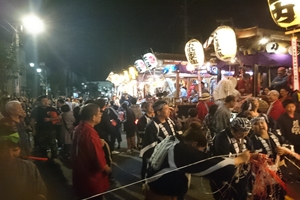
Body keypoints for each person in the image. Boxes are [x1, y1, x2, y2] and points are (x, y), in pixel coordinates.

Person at [145, 122, 250, 200]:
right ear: (194, 144)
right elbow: (205, 163)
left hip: (155, 186)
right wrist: (238, 160)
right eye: (201, 149)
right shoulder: (180, 150)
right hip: (164, 193)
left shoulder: (172, 139)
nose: (200, 152)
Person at [71, 103, 111, 200]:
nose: (101, 115)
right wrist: (107, 168)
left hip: (80, 172)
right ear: (93, 117)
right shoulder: (91, 134)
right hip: (91, 177)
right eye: (99, 113)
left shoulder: (79, 128)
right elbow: (98, 158)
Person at [0, 119, 47, 200]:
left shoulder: (28, 167)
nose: (10, 155)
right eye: (4, 151)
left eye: (15, 150)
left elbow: (40, 191)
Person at [211, 117, 255, 200]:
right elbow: (223, 158)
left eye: (246, 133)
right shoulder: (221, 138)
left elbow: (250, 150)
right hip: (224, 176)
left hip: (241, 176)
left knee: (241, 197)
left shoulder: (246, 138)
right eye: (240, 133)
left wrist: (254, 155)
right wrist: (241, 158)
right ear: (233, 130)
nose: (243, 136)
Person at [140, 101, 177, 181]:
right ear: (159, 112)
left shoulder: (170, 121)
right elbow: (150, 147)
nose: (169, 110)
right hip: (158, 156)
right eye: (166, 109)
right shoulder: (152, 126)